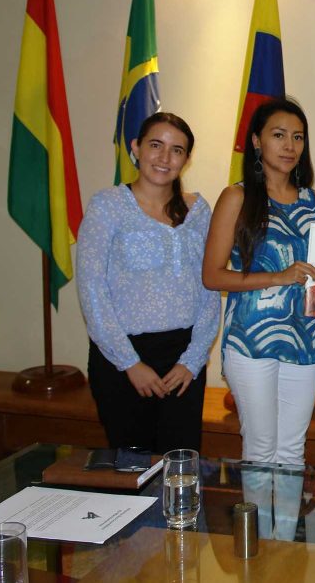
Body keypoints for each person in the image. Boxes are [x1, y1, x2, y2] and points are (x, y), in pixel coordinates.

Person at [202, 97, 315, 540]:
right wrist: (278, 275)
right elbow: (212, 275)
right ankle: (257, 547)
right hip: (250, 342)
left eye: (297, 137)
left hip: (307, 342)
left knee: (292, 453)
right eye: (278, 135)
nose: (289, 146)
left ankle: (284, 544)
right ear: (256, 141)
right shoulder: (236, 197)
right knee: (259, 449)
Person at [77, 112, 220, 454]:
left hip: (183, 361)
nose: (164, 157)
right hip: (122, 360)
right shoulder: (107, 206)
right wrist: (130, 363)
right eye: (156, 145)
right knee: (131, 469)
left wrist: (193, 359)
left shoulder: (198, 211)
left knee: (180, 467)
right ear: (136, 147)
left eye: (177, 150)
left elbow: (209, 287)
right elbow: (92, 289)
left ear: (186, 159)